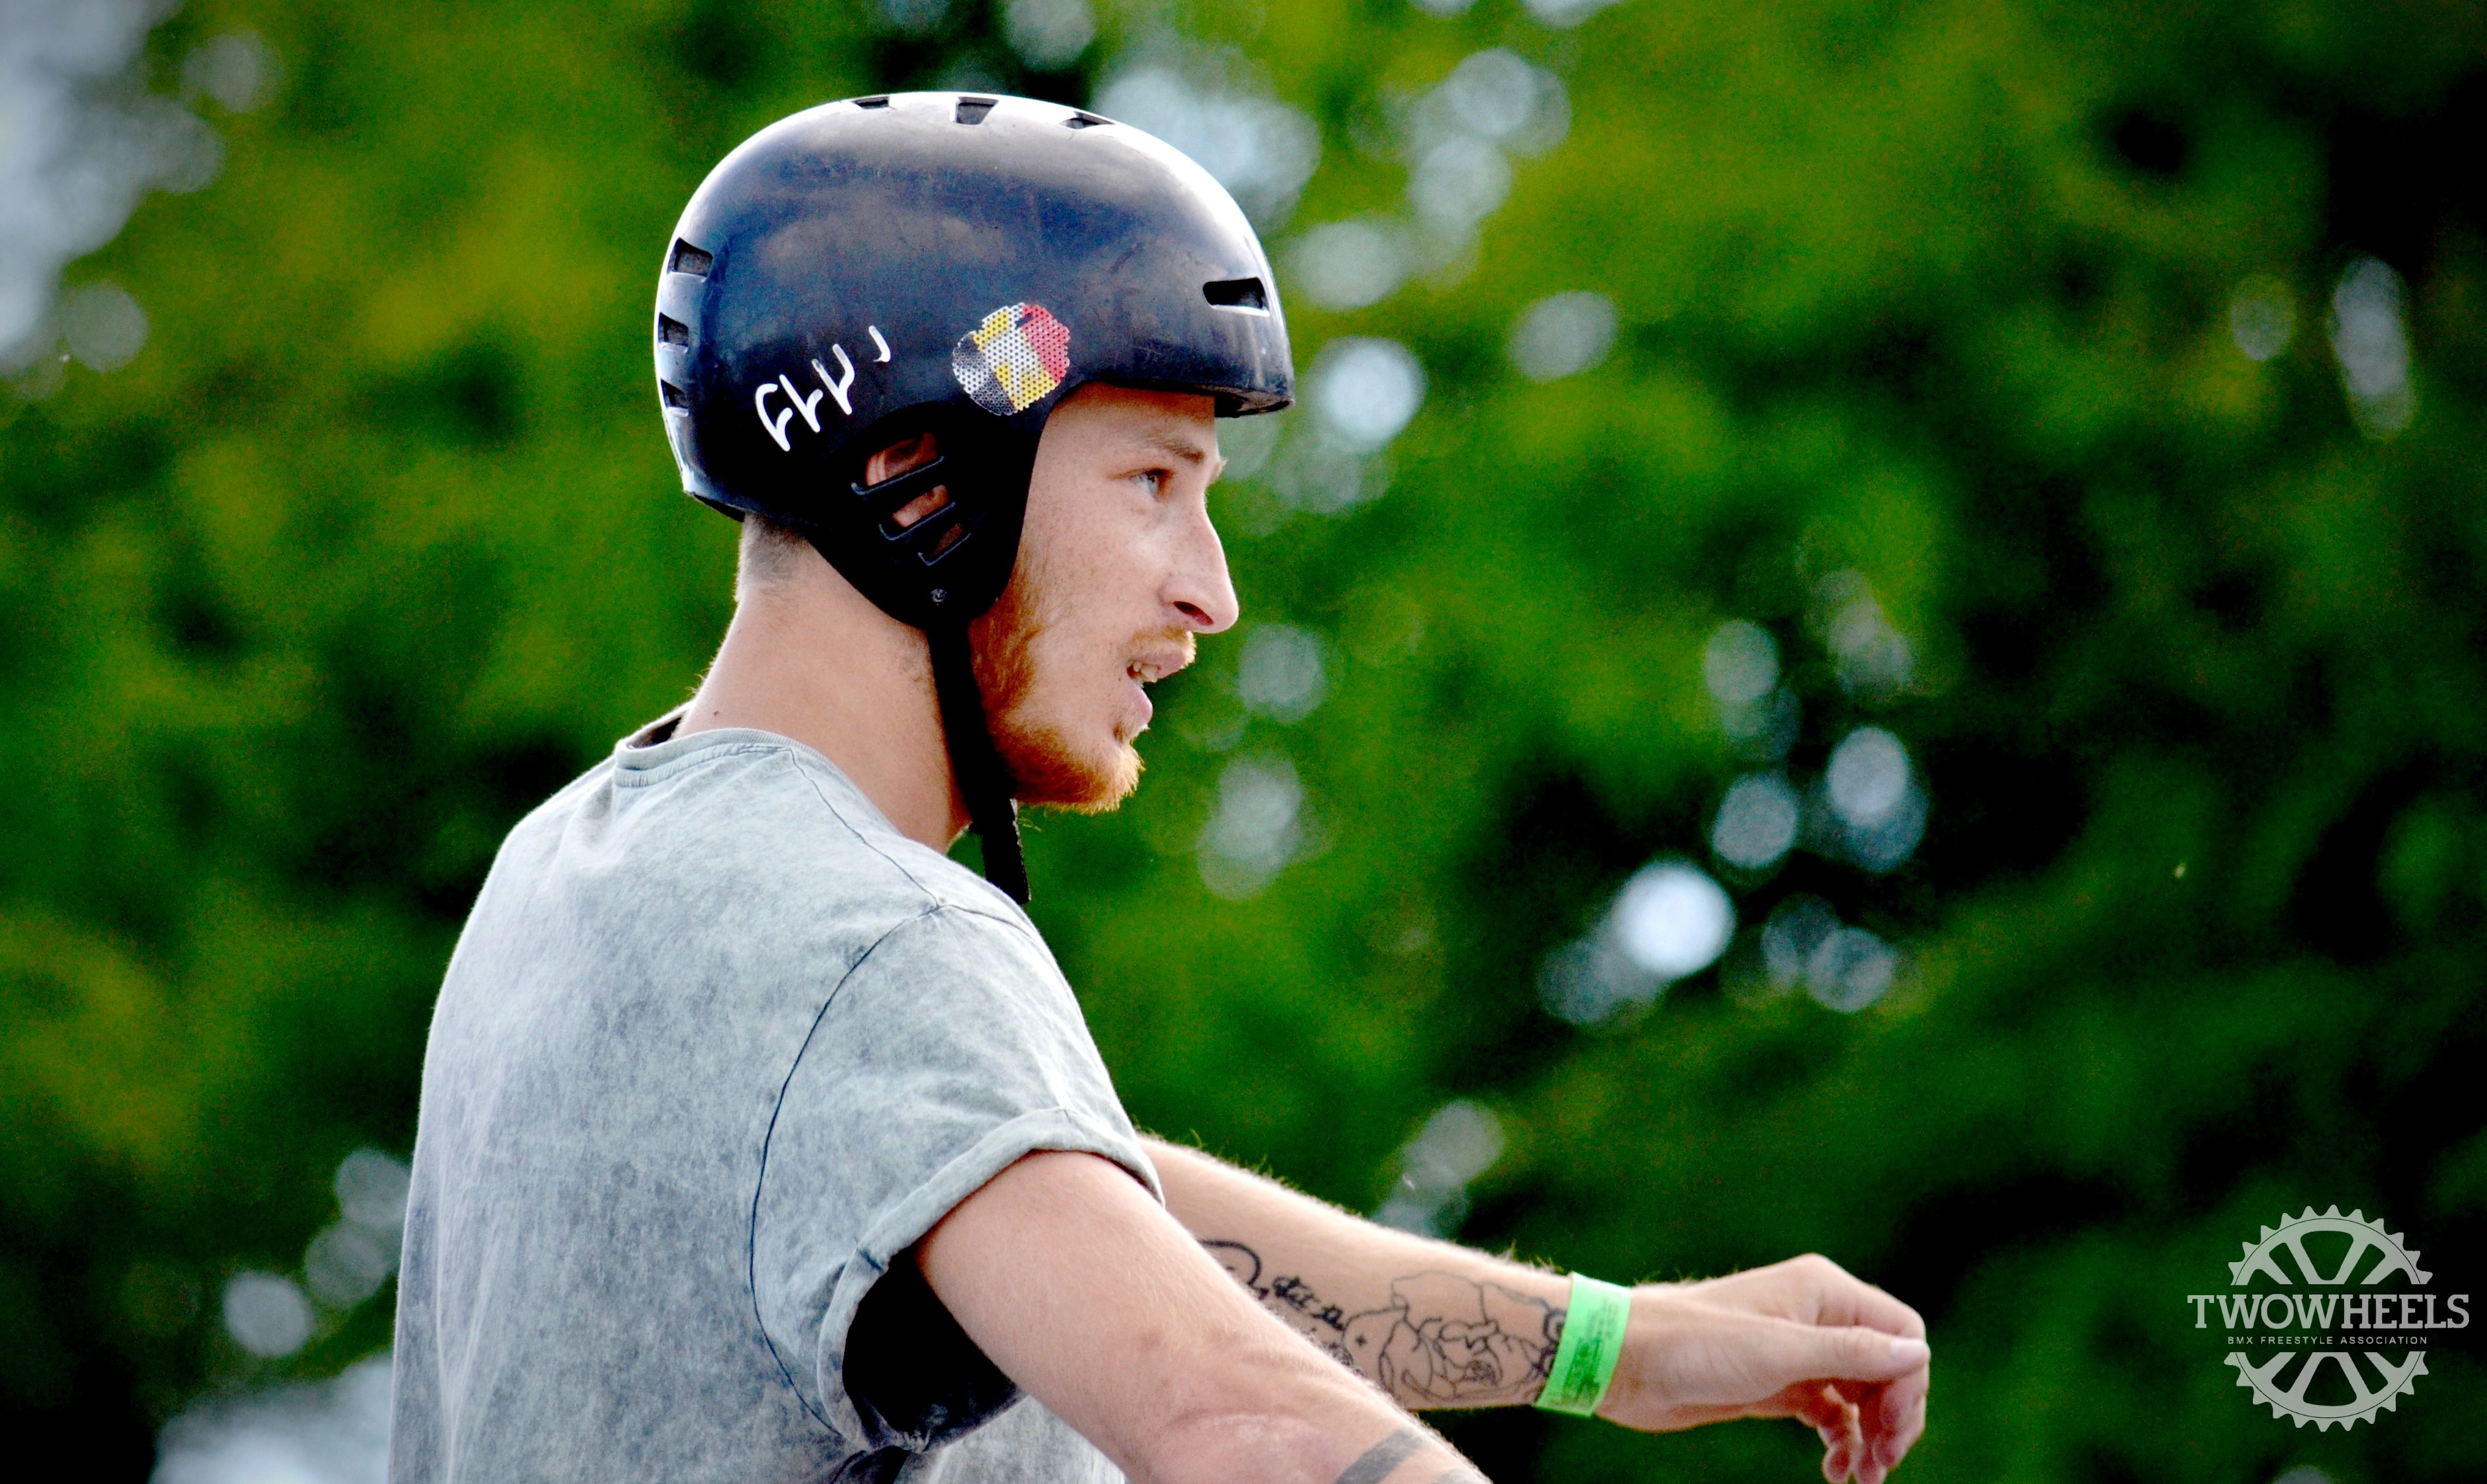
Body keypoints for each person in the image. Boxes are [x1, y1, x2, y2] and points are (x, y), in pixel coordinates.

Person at [388, 92, 1930, 1484]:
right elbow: (1240, 1421)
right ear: (919, 472)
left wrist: (1615, 1345)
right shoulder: (870, 947)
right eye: (1153, 482)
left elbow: (1051, 1194)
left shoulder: (582, 869)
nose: (1213, 591)